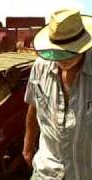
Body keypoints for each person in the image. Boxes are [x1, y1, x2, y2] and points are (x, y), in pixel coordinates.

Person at [23, 9, 92, 180]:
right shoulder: (40, 66)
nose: (62, 59)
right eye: (57, 51)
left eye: (68, 51)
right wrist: (28, 144)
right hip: (45, 172)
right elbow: (33, 105)